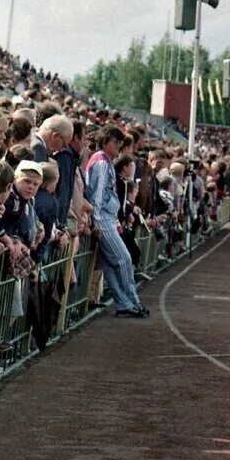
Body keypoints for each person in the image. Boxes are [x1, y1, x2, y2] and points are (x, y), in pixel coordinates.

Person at [85, 125, 147, 318]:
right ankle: (133, 301)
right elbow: (97, 194)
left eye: (120, 143)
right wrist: (95, 220)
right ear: (105, 142)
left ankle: (123, 303)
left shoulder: (106, 161)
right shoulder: (102, 162)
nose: (119, 146)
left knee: (111, 264)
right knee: (124, 259)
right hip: (102, 217)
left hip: (107, 217)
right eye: (115, 142)